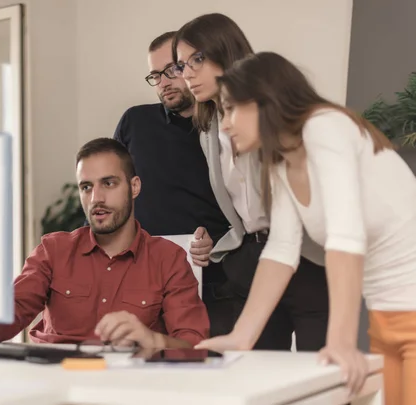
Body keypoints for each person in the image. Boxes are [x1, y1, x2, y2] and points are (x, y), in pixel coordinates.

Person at [196, 51, 416, 403]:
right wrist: (242, 336)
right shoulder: (283, 162)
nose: (224, 124)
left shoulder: (325, 126)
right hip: (386, 316)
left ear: (264, 100)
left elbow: (347, 233)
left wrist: (341, 341)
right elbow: (282, 251)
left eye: (231, 108)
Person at [171, 13, 329, 351]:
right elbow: (240, 209)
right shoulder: (209, 132)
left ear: (226, 50)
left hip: (307, 258)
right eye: (182, 65)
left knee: (321, 380)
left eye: (198, 58)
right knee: (257, 375)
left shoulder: (276, 110)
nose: (188, 74)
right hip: (255, 261)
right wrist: (222, 248)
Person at [0, 138, 209, 349]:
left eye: (108, 183)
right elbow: (6, 318)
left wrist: (153, 340)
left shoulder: (168, 259)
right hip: (55, 380)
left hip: (128, 386)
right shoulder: (53, 251)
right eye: (86, 187)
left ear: (134, 187)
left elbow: (194, 344)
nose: (96, 198)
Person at [112, 31, 235, 337]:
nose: (164, 82)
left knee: (211, 373)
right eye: (155, 75)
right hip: (139, 282)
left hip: (211, 282)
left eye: (172, 70)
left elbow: (246, 206)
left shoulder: (228, 127)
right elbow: (111, 189)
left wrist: (217, 241)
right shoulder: (135, 122)